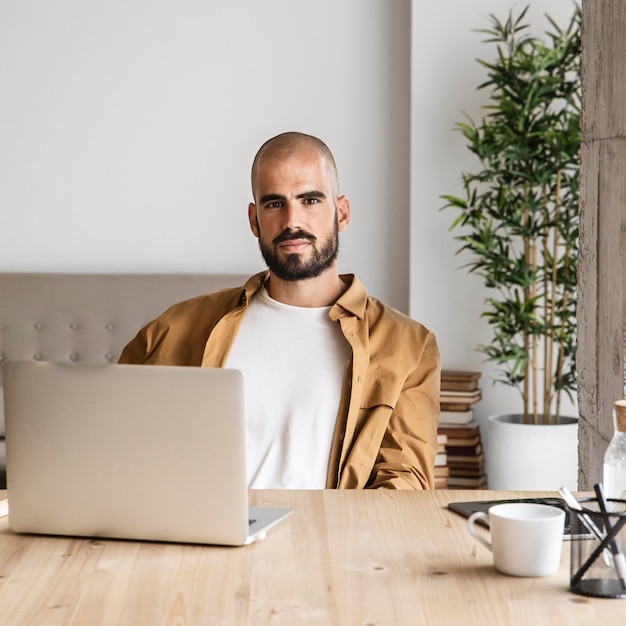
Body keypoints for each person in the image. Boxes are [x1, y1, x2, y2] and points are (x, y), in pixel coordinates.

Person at [119, 131, 441, 489]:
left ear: (342, 212)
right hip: (206, 539)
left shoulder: (409, 346)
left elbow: (403, 484)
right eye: (275, 203)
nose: (292, 221)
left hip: (331, 540)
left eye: (310, 200)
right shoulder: (176, 327)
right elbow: (117, 441)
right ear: (254, 220)